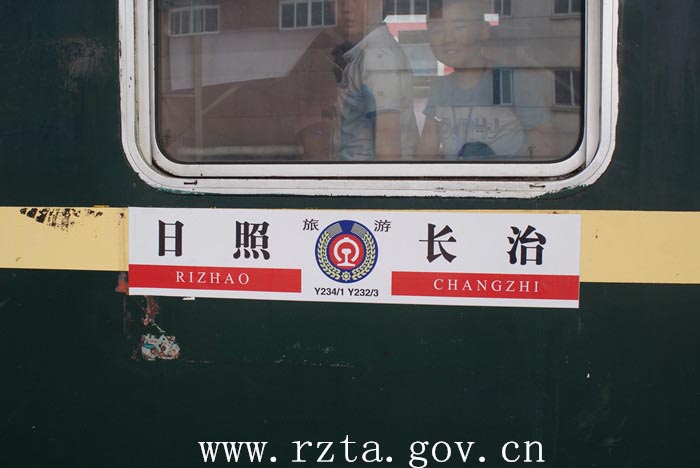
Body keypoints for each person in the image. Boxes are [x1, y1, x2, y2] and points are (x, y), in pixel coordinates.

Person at [416, 0, 555, 160]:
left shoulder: (508, 81)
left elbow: (544, 145)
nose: (448, 39)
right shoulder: (441, 89)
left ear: (483, 30)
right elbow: (426, 151)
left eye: (459, 27)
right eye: (437, 30)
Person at [328, 0, 420, 161]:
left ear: (380, 3)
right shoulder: (364, 54)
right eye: (338, 0)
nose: (347, 7)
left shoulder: (377, 58)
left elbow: (388, 147)